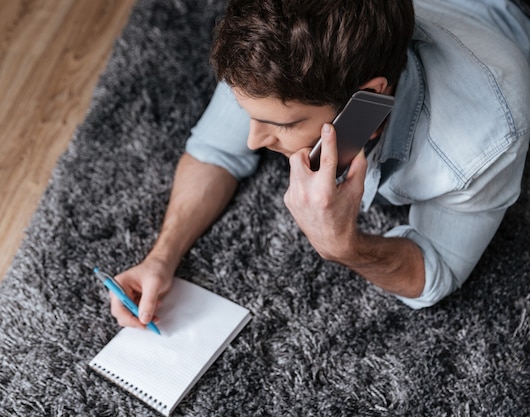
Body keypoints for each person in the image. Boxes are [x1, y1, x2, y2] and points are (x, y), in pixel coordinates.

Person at [110, 0, 530, 330]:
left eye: (280, 124)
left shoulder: (485, 138)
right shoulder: (278, 49)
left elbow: (439, 269)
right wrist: (160, 259)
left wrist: (345, 247)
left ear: (367, 97)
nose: (253, 139)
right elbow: (214, 151)